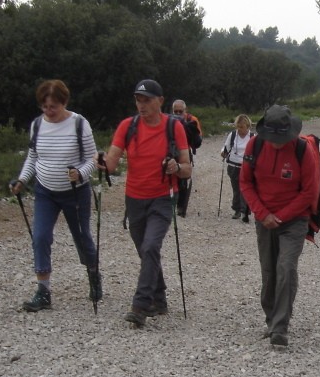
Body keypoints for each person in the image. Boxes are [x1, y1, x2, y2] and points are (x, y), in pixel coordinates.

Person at [96, 79, 191, 327]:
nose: (141, 104)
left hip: (162, 198)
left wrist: (176, 167)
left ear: (160, 101)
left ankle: (140, 305)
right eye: (138, 99)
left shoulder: (174, 127)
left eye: (146, 99)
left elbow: (187, 169)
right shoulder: (127, 126)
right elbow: (113, 161)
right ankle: (159, 300)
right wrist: (102, 163)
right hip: (134, 199)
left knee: (150, 247)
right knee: (145, 251)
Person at [11, 79, 100, 312]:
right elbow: (33, 157)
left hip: (75, 192)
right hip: (45, 191)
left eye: (53, 107)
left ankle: (93, 273)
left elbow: (94, 159)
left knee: (82, 238)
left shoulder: (80, 124)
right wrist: (22, 180)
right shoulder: (38, 125)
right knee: (40, 237)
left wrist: (79, 173)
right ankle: (43, 291)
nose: (48, 111)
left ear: (64, 102)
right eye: (44, 106)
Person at [239, 105, 320, 350]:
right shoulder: (254, 146)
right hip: (264, 218)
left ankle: (280, 327)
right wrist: (263, 214)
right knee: (269, 271)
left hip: (294, 220)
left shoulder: (302, 150)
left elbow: (309, 191)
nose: (276, 143)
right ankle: (271, 318)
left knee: (286, 266)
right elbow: (245, 182)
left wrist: (282, 216)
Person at [171, 99, 203, 217]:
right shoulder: (168, 120)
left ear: (186, 110)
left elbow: (198, 140)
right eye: (176, 111)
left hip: (185, 151)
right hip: (170, 151)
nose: (178, 114)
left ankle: (181, 207)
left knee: (184, 179)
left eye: (180, 111)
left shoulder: (192, 120)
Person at [221, 114, 254, 221]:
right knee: (236, 189)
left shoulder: (252, 137)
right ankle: (237, 210)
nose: (239, 129)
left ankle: (245, 212)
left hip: (246, 167)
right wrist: (223, 153)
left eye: (242, 127)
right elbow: (226, 147)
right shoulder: (233, 135)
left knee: (245, 189)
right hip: (233, 166)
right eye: (238, 126)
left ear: (247, 126)